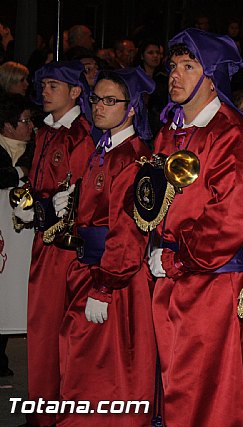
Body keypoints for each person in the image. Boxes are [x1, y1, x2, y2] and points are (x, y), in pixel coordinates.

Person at [148, 28, 243, 426]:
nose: (175, 76)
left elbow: (230, 217)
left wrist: (178, 259)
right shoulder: (171, 131)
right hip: (173, 277)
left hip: (210, 285)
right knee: (178, 386)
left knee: (212, 392)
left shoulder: (232, 134)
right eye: (172, 66)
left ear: (212, 75)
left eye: (188, 66)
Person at [50, 68, 156, 426]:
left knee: (108, 370)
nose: (99, 106)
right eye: (96, 99)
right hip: (88, 270)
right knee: (81, 361)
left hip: (115, 279)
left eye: (111, 101)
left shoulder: (132, 156)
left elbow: (128, 229)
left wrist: (105, 286)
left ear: (131, 109)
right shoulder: (103, 147)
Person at [12, 60, 94, 427]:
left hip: (65, 249)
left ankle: (59, 411)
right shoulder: (46, 131)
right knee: (40, 328)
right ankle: (41, 407)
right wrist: (27, 206)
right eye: (43, 85)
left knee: (62, 330)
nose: (44, 92)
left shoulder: (82, 133)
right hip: (43, 243)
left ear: (75, 92)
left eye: (53, 86)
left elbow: (76, 195)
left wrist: (43, 210)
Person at [0, 93, 34, 379]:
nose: (30, 126)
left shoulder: (34, 148)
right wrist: (19, 173)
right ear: (8, 126)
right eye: (24, 121)